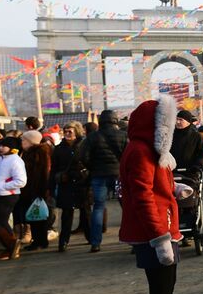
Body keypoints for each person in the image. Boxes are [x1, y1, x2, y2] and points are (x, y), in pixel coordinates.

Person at [117, 94, 192, 294]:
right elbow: (142, 197)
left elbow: (151, 187)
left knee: (165, 292)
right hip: (155, 233)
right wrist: (161, 239)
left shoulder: (147, 149)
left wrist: (175, 189)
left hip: (162, 226)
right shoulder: (140, 151)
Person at [80, 109, 127, 253]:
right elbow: (129, 155)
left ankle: (95, 242)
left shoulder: (92, 137)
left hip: (98, 174)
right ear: (115, 120)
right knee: (126, 206)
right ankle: (133, 240)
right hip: (119, 174)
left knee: (98, 207)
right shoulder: (123, 135)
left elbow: (84, 156)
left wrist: (92, 168)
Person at [51, 123, 89, 254]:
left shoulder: (84, 145)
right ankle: (63, 242)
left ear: (76, 132)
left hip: (82, 182)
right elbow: (54, 168)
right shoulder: (58, 148)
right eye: (65, 131)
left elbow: (89, 162)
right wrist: (54, 181)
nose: (67, 134)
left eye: (70, 131)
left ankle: (91, 238)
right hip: (66, 183)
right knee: (67, 214)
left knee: (86, 212)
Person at [0, 136, 27, 260]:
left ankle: (11, 246)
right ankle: (11, 245)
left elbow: (21, 181)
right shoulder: (0, 159)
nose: (0, 148)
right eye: (0, 145)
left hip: (8, 195)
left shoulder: (15, 160)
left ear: (12, 148)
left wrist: (2, 187)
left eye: (4, 146)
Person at [19, 130, 53, 251]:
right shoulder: (27, 152)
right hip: (31, 189)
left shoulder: (40, 153)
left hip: (38, 189)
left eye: (24, 140)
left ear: (31, 141)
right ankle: (38, 240)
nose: (22, 142)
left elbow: (44, 173)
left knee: (38, 216)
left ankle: (40, 241)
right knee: (34, 216)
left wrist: (43, 191)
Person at [169, 108, 203, 180]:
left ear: (188, 122)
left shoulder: (195, 136)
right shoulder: (170, 135)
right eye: (177, 119)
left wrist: (198, 165)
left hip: (190, 172)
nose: (177, 122)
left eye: (181, 120)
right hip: (171, 172)